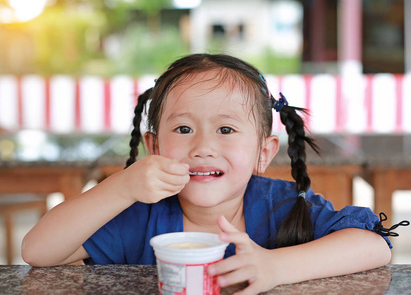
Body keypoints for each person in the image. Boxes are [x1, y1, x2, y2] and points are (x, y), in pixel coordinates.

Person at [22, 53, 395, 294]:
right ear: (154, 148)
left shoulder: (283, 206)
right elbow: (38, 251)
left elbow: (375, 243)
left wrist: (276, 266)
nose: (202, 147)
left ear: (262, 153)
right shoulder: (139, 214)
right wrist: (122, 186)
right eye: (183, 130)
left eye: (226, 130)